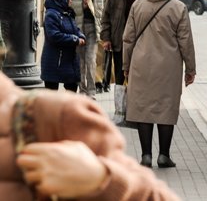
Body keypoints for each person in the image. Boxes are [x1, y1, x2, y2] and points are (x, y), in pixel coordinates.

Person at [0, 70, 180, 200]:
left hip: (144, 69)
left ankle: (148, 154)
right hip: (161, 72)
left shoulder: (52, 117)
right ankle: (156, 154)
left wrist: (101, 179)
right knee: (159, 111)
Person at [123, 0, 196, 169]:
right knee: (165, 107)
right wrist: (190, 69)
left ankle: (146, 155)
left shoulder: (138, 4)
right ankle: (164, 155)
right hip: (169, 67)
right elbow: (186, 41)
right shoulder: (178, 7)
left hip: (140, 65)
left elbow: (128, 38)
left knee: (142, 108)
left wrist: (126, 65)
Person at [101, 0, 145, 87]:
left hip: (139, 46)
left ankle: (134, 104)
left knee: (137, 78)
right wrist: (106, 38)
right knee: (120, 79)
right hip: (119, 44)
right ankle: (120, 105)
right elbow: (105, 19)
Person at [40, 0, 85, 92]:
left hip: (68, 59)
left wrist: (80, 35)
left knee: (72, 89)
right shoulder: (51, 14)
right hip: (55, 60)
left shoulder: (67, 12)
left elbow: (74, 29)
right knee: (51, 94)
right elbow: (54, 36)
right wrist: (75, 39)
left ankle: (68, 109)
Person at [70, 0, 107, 98]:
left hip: (93, 29)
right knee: (80, 62)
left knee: (91, 60)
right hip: (78, 30)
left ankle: (91, 90)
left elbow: (104, 15)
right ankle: (82, 90)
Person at [95, 0, 114, 93]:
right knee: (98, 59)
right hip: (97, 30)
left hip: (111, 30)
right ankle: (98, 83)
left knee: (109, 59)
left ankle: (106, 82)